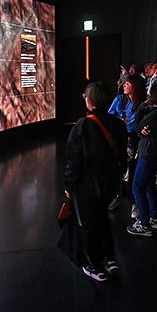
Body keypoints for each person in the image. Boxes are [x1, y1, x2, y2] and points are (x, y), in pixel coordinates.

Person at [62, 81, 128, 283]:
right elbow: (123, 156)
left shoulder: (83, 125)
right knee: (102, 219)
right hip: (109, 186)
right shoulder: (118, 123)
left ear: (89, 101)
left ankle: (96, 265)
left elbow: (74, 159)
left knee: (89, 224)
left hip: (86, 187)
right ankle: (110, 259)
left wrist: (68, 184)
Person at [126, 83, 157, 236]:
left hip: (148, 154)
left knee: (137, 186)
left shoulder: (154, 115)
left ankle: (143, 224)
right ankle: (154, 218)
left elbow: (136, 125)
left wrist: (141, 107)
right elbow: (141, 129)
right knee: (149, 186)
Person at [107, 74, 145, 210]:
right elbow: (110, 118)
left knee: (133, 172)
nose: (124, 85)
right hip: (120, 140)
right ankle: (116, 196)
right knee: (118, 170)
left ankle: (134, 204)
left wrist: (124, 122)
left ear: (135, 86)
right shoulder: (119, 100)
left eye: (127, 84)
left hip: (136, 141)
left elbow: (137, 125)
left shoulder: (142, 104)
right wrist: (123, 122)